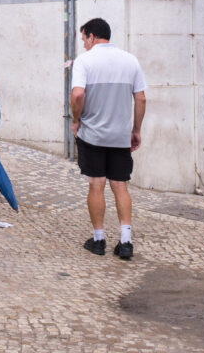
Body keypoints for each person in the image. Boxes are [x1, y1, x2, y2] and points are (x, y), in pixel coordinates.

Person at [70, 18, 146, 260]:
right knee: (120, 185)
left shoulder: (85, 61)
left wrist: (75, 119)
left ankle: (99, 239)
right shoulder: (130, 60)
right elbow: (141, 98)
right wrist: (135, 129)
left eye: (84, 39)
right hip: (120, 136)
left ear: (92, 36)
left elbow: (78, 94)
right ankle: (125, 242)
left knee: (96, 184)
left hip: (92, 135)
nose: (84, 45)